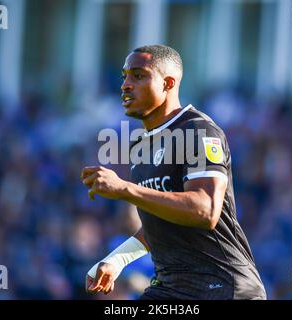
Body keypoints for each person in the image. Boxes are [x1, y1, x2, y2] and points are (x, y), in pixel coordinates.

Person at [81, 44, 266, 299]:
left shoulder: (197, 130)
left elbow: (205, 209)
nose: (125, 85)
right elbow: (160, 222)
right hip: (171, 288)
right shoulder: (141, 146)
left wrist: (124, 188)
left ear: (168, 83)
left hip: (220, 286)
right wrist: (117, 260)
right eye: (125, 76)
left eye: (138, 75)